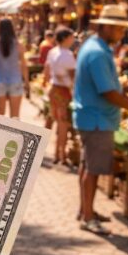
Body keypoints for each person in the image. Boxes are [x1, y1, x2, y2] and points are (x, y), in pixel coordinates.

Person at [73, 5, 128, 235]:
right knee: (92, 170)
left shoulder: (96, 47)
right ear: (106, 27)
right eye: (117, 29)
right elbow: (107, 91)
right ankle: (87, 218)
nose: (120, 34)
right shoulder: (97, 52)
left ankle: (85, 210)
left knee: (87, 166)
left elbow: (111, 86)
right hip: (97, 118)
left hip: (92, 117)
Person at [0, 18, 29, 118]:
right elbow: (23, 65)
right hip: (15, 81)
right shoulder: (19, 45)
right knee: (15, 117)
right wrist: (26, 82)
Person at [45, 27, 77, 166]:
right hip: (63, 92)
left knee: (58, 122)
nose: (73, 39)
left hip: (53, 90)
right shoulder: (67, 55)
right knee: (63, 124)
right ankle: (61, 155)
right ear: (65, 38)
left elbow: (46, 70)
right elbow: (73, 76)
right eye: (71, 37)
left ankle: (56, 153)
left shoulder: (52, 52)